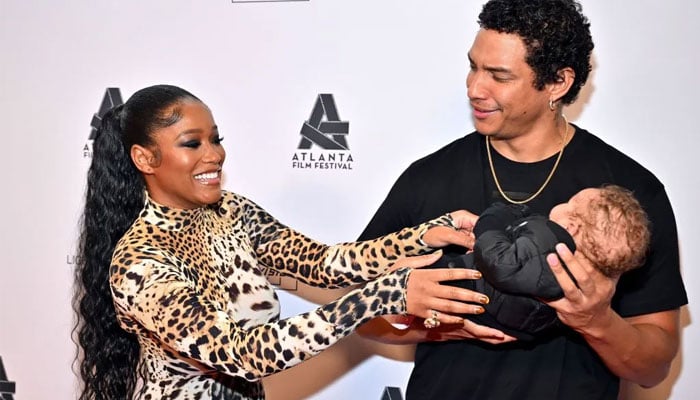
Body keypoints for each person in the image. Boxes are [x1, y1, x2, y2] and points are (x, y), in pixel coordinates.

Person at [72, 84, 490, 400]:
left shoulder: (231, 211)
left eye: (216, 139)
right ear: (145, 158)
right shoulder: (140, 261)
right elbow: (241, 354)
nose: (213, 154)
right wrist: (383, 296)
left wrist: (423, 235)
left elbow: (322, 264)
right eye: (192, 143)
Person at [357, 0, 688, 398]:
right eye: (473, 66)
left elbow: (654, 366)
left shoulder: (630, 194)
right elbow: (357, 315)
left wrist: (596, 321)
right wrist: (435, 324)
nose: (474, 88)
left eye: (499, 76)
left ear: (558, 83)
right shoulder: (428, 178)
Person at [426, 185, 650, 341]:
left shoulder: (550, 239)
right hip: (511, 323)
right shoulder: (583, 275)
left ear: (571, 227)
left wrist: (492, 220)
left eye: (569, 203)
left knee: (424, 272)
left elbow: (502, 263)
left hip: (470, 289)